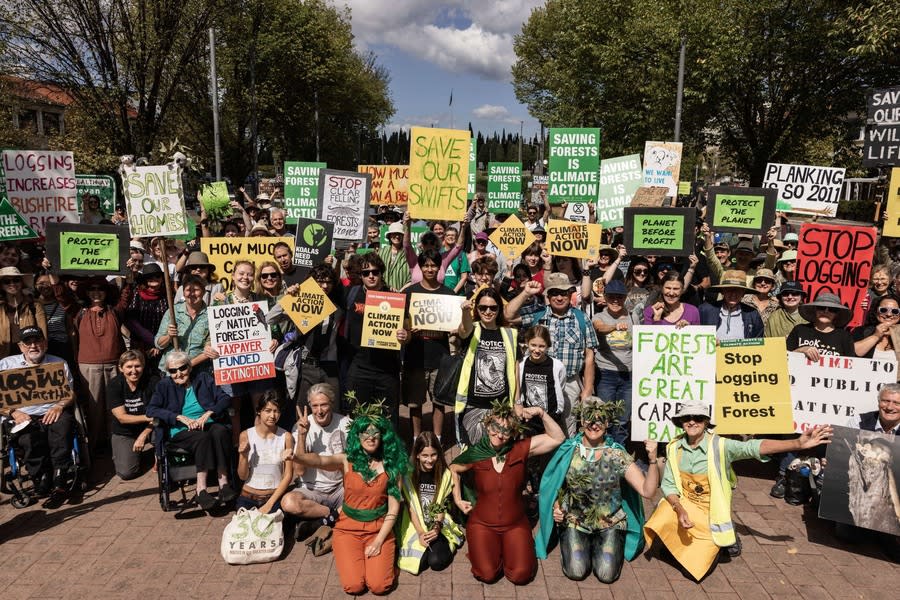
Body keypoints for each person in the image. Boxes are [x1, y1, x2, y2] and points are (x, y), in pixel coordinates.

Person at [643, 401, 833, 581]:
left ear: (706, 421)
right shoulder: (674, 447)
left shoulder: (721, 446)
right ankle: (687, 543)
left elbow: (752, 447)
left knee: (691, 572)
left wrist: (797, 444)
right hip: (686, 508)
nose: (692, 422)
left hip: (711, 514)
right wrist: (679, 508)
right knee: (663, 511)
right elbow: (668, 485)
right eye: (686, 418)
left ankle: (725, 538)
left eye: (698, 418)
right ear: (680, 422)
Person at [536, 399, 660, 583]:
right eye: (589, 419)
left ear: (608, 423)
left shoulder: (617, 454)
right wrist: (557, 506)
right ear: (581, 421)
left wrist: (652, 459)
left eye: (600, 419)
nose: (594, 424)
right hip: (575, 521)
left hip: (609, 522)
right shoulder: (569, 450)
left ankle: (598, 543)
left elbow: (647, 491)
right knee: (576, 571)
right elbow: (557, 487)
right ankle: (578, 543)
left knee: (606, 574)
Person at [291, 402, 407, 595]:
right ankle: (358, 556)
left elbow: (393, 510)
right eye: (364, 433)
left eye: (374, 433)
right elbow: (320, 460)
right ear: (357, 436)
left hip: (378, 528)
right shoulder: (347, 460)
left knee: (379, 586)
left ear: (383, 435)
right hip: (347, 529)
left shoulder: (392, 467)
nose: (370, 438)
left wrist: (378, 542)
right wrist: (296, 457)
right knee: (354, 586)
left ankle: (386, 558)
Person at [449, 402, 565, 585]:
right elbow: (453, 468)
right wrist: (457, 499)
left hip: (515, 524)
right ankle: (488, 550)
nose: (499, 434)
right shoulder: (477, 453)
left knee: (521, 574)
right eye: (495, 427)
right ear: (487, 426)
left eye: (506, 430)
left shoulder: (520, 449)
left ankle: (504, 549)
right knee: (486, 573)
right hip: (482, 524)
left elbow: (558, 438)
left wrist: (540, 413)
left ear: (513, 432)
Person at [506, 273, 599, 435]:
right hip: (536, 383)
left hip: (570, 384)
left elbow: (590, 356)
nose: (559, 297)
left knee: (567, 431)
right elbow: (508, 315)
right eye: (554, 293)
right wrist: (526, 293)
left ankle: (563, 460)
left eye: (563, 293)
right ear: (548, 296)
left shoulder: (582, 319)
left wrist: (588, 389)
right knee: (536, 429)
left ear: (570, 294)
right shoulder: (538, 314)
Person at [147, 351, 235, 511]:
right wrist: (178, 417)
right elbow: (151, 410)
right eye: (173, 371)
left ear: (189, 366)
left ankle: (224, 483)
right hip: (180, 431)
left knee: (220, 431)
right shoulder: (164, 386)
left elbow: (225, 398)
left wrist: (210, 412)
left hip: (207, 423)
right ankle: (201, 489)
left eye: (182, 368)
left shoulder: (203, 379)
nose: (178, 373)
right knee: (202, 438)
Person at [0, 326, 77, 507]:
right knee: (28, 439)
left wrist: (59, 406)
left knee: (63, 429)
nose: (33, 346)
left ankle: (59, 480)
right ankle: (41, 477)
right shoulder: (6, 365)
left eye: (37, 341)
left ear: (45, 344)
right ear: (20, 346)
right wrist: (13, 412)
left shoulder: (58, 363)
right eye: (28, 342)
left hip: (52, 411)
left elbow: (71, 393)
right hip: (20, 415)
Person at [282, 384, 350, 539]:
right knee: (289, 503)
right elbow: (299, 471)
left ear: (331, 404)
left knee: (365, 495)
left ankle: (319, 521)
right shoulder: (301, 426)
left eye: (324, 405)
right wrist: (301, 436)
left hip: (340, 488)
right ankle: (332, 516)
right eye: (315, 406)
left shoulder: (346, 424)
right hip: (312, 489)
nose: (319, 411)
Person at [456, 287, 519, 445]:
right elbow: (464, 330)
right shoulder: (473, 328)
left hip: (501, 407)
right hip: (474, 406)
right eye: (483, 307)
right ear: (477, 309)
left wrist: (517, 401)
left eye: (493, 307)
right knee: (477, 454)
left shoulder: (510, 333)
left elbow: (514, 369)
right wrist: (465, 312)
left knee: (499, 452)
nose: (488, 311)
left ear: (499, 309)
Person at [396, 432, 464, 574]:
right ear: (417, 455)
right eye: (425, 455)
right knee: (418, 563)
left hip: (438, 522)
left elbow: (441, 505)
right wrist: (421, 532)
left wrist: (437, 528)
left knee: (436, 562)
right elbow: (410, 507)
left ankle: (448, 542)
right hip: (415, 523)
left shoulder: (444, 474)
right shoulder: (408, 475)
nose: (429, 460)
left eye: (433, 455)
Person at [403, 248, 453, 440]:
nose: (430, 269)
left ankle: (437, 439)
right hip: (414, 355)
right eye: (426, 265)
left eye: (433, 265)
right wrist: (408, 330)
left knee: (439, 400)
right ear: (420, 267)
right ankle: (417, 439)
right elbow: (401, 324)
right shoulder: (409, 293)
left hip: (440, 356)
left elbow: (456, 324)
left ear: (439, 267)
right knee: (414, 403)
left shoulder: (448, 294)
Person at [75, 277, 125, 453]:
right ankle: (95, 445)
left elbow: (126, 297)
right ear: (86, 293)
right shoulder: (80, 311)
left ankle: (116, 443)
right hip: (88, 365)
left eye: (101, 289)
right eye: (92, 289)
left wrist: (129, 274)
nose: (96, 293)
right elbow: (63, 298)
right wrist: (53, 275)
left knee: (115, 405)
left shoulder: (114, 310)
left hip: (114, 363)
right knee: (94, 407)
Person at [592, 280, 639, 443]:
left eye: (619, 297)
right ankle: (604, 450)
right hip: (606, 374)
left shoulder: (633, 317)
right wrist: (615, 327)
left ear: (625, 298)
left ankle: (620, 452)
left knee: (623, 418)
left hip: (629, 375)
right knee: (605, 416)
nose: (615, 300)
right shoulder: (599, 316)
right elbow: (599, 328)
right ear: (604, 297)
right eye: (611, 296)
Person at [236, 393, 294, 513]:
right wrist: (243, 456)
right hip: (248, 496)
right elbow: (242, 476)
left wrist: (270, 503)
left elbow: (288, 475)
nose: (272, 416)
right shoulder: (246, 435)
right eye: (267, 411)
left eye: (276, 411)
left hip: (273, 497)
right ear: (259, 411)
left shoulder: (285, 437)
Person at [107, 350, 158, 480]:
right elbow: (122, 418)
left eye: (137, 366)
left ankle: (159, 455)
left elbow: (159, 414)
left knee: (162, 428)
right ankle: (135, 455)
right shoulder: (114, 384)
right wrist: (147, 417)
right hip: (125, 431)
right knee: (126, 473)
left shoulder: (153, 381)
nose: (134, 371)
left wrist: (143, 434)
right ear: (121, 368)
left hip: (151, 427)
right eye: (129, 367)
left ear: (143, 366)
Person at [123, 264, 168, 373]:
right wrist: (153, 342)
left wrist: (160, 343)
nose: (154, 279)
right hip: (141, 345)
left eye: (157, 276)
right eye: (150, 277)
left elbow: (170, 320)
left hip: (163, 344)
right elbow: (132, 322)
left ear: (162, 279)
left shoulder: (167, 295)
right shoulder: (137, 294)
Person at [787, 292, 856, 361]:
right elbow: (783, 357)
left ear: (837, 314)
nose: (826, 311)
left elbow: (851, 364)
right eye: (821, 307)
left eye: (832, 309)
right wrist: (801, 350)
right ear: (815, 309)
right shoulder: (799, 330)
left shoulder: (845, 337)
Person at [699, 270, 764, 340]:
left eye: (738, 290)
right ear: (722, 291)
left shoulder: (752, 314)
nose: (733, 294)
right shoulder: (705, 310)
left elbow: (759, 340)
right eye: (729, 290)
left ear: (743, 293)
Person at [0, 266, 46, 360]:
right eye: (7, 281)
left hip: (31, 357)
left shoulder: (35, 305)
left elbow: (43, 335)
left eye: (16, 280)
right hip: (4, 357)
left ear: (22, 282)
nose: (12, 284)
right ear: (1, 285)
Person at [852, 294, 900, 361]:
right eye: (883, 310)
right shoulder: (862, 331)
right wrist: (876, 336)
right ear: (876, 312)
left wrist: (896, 334)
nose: (889, 314)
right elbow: (853, 352)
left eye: (895, 311)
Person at [377, 222, 411, 292]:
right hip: (383, 293)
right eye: (394, 233)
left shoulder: (409, 253)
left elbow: (413, 276)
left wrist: (402, 290)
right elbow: (377, 271)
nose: (397, 236)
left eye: (399, 234)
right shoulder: (381, 252)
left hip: (403, 293)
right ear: (389, 236)